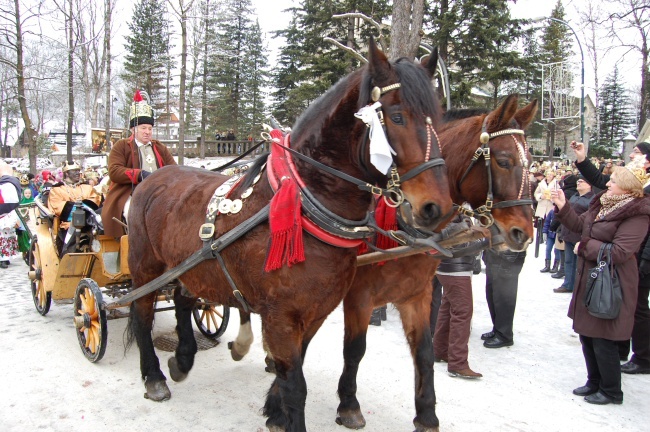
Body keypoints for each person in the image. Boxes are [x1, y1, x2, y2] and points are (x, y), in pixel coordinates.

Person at [551, 158, 650, 405]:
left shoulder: (638, 213)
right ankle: (594, 381)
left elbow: (620, 251)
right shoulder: (603, 204)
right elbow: (579, 226)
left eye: (614, 181)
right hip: (592, 277)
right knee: (587, 334)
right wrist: (563, 207)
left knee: (603, 337)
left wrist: (585, 247)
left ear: (627, 187)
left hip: (612, 282)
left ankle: (611, 390)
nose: (608, 184)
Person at [573, 140, 650, 372]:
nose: (632, 155)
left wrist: (646, 259)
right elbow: (602, 181)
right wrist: (582, 159)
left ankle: (643, 356)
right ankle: (619, 349)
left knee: (636, 307)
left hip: (639, 254)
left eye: (637, 153)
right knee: (618, 305)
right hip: (626, 252)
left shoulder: (641, 190)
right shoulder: (626, 182)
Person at [102, 90, 176, 238]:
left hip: (160, 191)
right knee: (132, 211)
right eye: (143, 128)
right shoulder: (121, 146)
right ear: (133, 129)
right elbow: (115, 171)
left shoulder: (160, 148)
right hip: (130, 192)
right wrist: (140, 174)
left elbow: (174, 170)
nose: (147, 132)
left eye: (150, 128)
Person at [432, 214, 482, 379]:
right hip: (454, 267)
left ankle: (439, 350)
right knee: (462, 312)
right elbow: (443, 232)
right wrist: (471, 228)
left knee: (448, 307)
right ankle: (458, 363)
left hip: (453, 265)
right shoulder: (447, 203)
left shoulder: (457, 205)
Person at [48, 161, 102, 255]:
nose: (78, 173)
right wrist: (80, 210)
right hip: (68, 224)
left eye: (78, 170)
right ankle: (68, 255)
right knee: (75, 225)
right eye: (74, 171)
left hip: (91, 221)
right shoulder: (57, 190)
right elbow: (57, 207)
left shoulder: (87, 187)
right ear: (66, 173)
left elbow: (95, 201)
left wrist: (81, 209)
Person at [553, 176, 595, 293]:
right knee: (568, 261)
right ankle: (568, 284)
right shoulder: (574, 196)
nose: (579, 183)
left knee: (578, 264)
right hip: (568, 233)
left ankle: (578, 287)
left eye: (582, 181)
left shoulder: (592, 199)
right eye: (578, 181)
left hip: (580, 235)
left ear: (589, 185)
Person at [482, 248, 526, 348]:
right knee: (493, 295)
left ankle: (505, 335)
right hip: (494, 255)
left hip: (507, 258)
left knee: (504, 297)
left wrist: (509, 257)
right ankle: (498, 329)